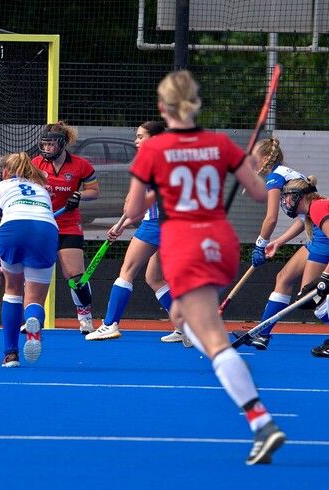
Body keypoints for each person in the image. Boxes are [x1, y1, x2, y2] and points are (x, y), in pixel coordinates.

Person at [126, 70, 285, 465]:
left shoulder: (153, 152)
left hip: (185, 245)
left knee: (211, 339)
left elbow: (132, 211)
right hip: (221, 243)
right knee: (181, 315)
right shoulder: (218, 144)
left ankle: (261, 422)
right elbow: (257, 190)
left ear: (164, 109)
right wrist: (242, 163)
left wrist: (155, 189)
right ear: (196, 104)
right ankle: (222, 354)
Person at [85, 121, 180, 342]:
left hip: (157, 224)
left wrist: (126, 219)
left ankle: (110, 324)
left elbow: (144, 203)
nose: (136, 141)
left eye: (140, 136)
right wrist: (123, 224)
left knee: (126, 271)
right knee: (154, 277)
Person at [0, 152, 58, 367]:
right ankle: (33, 322)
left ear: (5, 172)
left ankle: (10, 355)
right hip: (45, 232)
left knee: (13, 291)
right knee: (34, 299)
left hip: (13, 230)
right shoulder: (42, 189)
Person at [236, 138, 318, 350]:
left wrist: (260, 245)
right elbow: (303, 220)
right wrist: (279, 242)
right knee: (283, 278)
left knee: (310, 295)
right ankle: (262, 334)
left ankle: (262, 332)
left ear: (264, 158)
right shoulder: (287, 173)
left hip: (321, 235)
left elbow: (271, 218)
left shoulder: (275, 178)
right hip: (314, 233)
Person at [31, 121, 99, 334]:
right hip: (42, 224)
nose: (47, 149)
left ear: (62, 144)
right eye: (45, 144)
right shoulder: (35, 163)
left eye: (52, 145)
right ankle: (33, 318)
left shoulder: (81, 165)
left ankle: (85, 317)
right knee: (36, 275)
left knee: (75, 276)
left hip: (69, 224)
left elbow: (94, 191)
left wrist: (78, 196)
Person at [263, 178, 329, 358]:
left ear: (300, 197)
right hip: (321, 247)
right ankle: (262, 332)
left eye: (288, 198)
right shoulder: (312, 211)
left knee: (315, 299)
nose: (285, 202)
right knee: (312, 298)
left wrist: (326, 276)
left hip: (324, 250)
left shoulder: (317, 207)